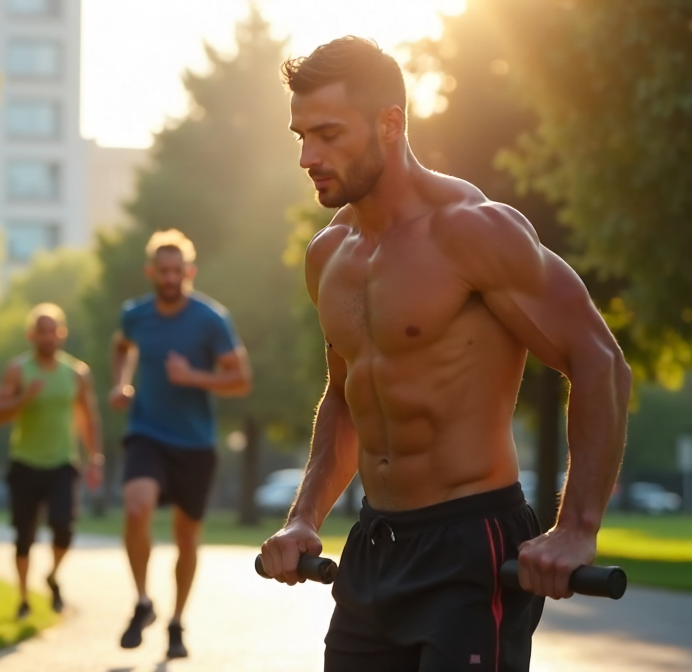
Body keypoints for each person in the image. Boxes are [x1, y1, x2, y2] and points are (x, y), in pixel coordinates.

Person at [258, 37, 630, 671]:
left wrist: (577, 527)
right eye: (300, 135)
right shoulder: (328, 256)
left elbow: (599, 363)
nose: (307, 156)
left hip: (473, 543)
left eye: (326, 134)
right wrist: (303, 517)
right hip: (375, 545)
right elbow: (346, 400)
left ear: (390, 123)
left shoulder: (474, 230)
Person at [108, 230, 252, 659]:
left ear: (189, 272)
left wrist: (195, 377)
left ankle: (176, 622)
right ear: (150, 272)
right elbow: (120, 348)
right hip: (147, 431)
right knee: (136, 507)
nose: (170, 278)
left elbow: (241, 379)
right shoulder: (134, 315)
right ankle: (142, 602)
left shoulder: (211, 319)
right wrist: (121, 383)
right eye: (162, 270)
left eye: (178, 271)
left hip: (194, 441)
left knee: (186, 538)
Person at [0, 303, 104, 620]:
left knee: (63, 527)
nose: (48, 336)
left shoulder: (76, 373)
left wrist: (95, 458)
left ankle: (53, 575)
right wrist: (23, 398)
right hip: (25, 462)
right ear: (32, 335)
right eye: (42, 330)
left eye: (53, 330)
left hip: (62, 463)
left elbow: (87, 418)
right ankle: (24, 598)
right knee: (24, 536)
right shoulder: (18, 370)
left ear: (61, 334)